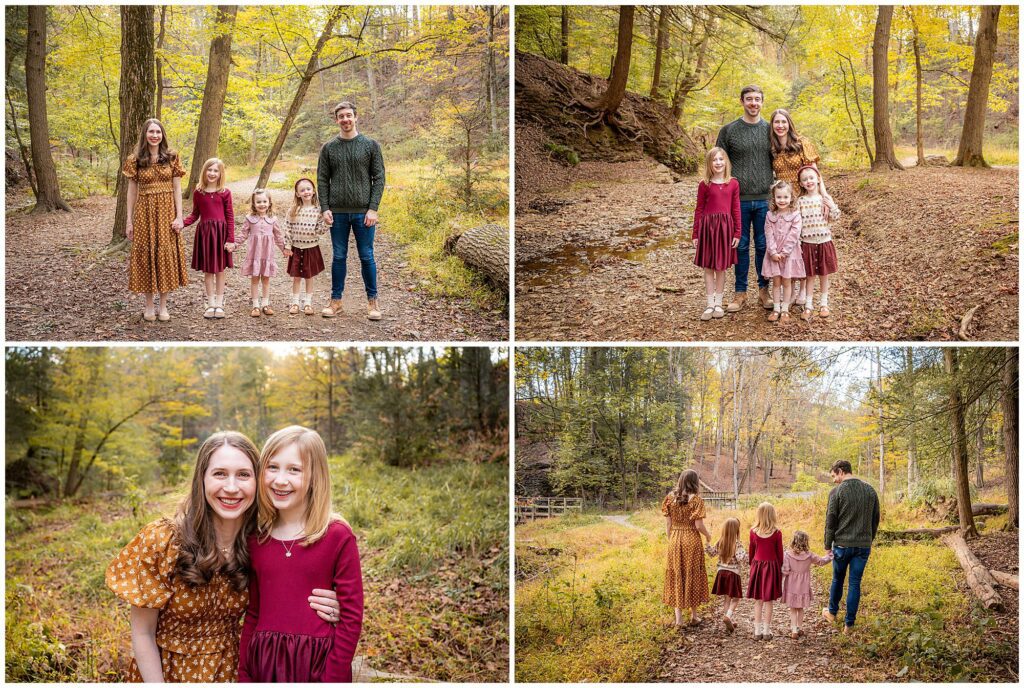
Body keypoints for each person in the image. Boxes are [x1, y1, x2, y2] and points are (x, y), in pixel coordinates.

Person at [105, 432, 341, 682]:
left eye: (243, 475)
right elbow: (143, 633)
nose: (231, 487)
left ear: (258, 481)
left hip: (233, 673)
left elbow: (283, 599)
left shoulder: (260, 543)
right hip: (166, 673)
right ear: (202, 479)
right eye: (219, 474)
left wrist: (332, 608)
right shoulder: (163, 540)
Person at [239, 426, 363, 682]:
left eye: (294, 469)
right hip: (265, 664)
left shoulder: (337, 536)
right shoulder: (256, 539)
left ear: (314, 476)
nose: (280, 480)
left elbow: (351, 618)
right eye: (272, 467)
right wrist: (244, 673)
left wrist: (335, 676)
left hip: (316, 665)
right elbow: (254, 613)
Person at [317, 101, 386, 321]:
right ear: (336, 120)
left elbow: (379, 178)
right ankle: (336, 301)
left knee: (366, 256)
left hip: (363, 213)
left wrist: (373, 209)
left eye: (349, 115)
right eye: (341, 116)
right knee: (339, 256)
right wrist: (325, 207)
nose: (345, 119)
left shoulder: (370, 145)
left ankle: (372, 302)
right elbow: (322, 180)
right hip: (337, 213)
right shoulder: (328, 148)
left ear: (356, 117)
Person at [122, 118, 188, 322]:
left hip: (167, 211)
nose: (154, 135)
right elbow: (132, 192)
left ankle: (164, 306)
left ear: (162, 135)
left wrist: (179, 216)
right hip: (144, 212)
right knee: (147, 256)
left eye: (158, 132)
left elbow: (177, 189)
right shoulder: (135, 160)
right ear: (145, 134)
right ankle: (149, 306)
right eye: (151, 132)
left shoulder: (172, 157)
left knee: (165, 256)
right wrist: (129, 220)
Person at [715, 85, 774, 313]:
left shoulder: (770, 130)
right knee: (739, 246)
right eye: (749, 99)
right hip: (736, 200)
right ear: (742, 101)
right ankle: (740, 293)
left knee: (763, 246)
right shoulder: (729, 131)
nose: (753, 103)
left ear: (762, 102)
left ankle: (763, 290)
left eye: (757, 99)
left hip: (765, 199)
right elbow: (717, 162)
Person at [768, 108, 826, 310]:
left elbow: (815, 173)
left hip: (803, 199)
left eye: (783, 122)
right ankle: (788, 291)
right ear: (772, 126)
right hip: (784, 201)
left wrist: (823, 197)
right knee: (788, 244)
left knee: (804, 245)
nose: (780, 126)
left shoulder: (802, 143)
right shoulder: (773, 147)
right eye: (776, 122)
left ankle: (803, 289)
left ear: (789, 123)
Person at [823, 459, 880, 634]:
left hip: (842, 545)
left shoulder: (836, 492)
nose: (834, 480)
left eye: (834, 475)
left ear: (841, 471)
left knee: (837, 579)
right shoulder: (870, 490)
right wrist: (868, 539)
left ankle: (832, 613)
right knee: (855, 583)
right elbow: (875, 519)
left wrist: (827, 545)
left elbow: (831, 521)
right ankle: (849, 625)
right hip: (862, 546)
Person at [691, 147, 741, 320]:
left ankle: (719, 303)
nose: (718, 163)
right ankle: (709, 304)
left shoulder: (733, 183)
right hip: (707, 228)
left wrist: (737, 233)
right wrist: (695, 233)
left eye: (721, 159)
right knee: (708, 267)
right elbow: (699, 209)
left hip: (725, 229)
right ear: (709, 164)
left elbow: (736, 209)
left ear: (726, 162)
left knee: (721, 268)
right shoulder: (704, 184)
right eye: (714, 160)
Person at [182, 158, 234, 319]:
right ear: (204, 172)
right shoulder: (199, 192)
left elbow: (230, 216)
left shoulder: (225, 192)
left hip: (220, 234)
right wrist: (181, 223)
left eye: (215, 171)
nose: (212, 173)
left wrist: (230, 239)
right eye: (209, 170)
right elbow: (195, 214)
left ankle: (219, 303)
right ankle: (210, 303)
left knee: (219, 270)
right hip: (205, 235)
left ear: (220, 174)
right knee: (208, 270)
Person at [661, 469, 712, 627]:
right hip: (691, 540)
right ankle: (694, 616)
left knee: (677, 573)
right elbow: (698, 525)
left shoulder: (670, 498)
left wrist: (672, 540)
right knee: (692, 573)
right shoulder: (696, 500)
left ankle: (679, 620)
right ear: (694, 482)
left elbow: (668, 524)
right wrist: (708, 536)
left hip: (675, 539)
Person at [796, 166, 840, 321]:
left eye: (811, 178)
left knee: (824, 275)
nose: (809, 181)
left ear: (818, 179)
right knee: (809, 276)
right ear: (801, 184)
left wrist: (832, 205)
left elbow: (835, 217)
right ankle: (808, 305)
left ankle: (824, 304)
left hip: (824, 241)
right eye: (805, 179)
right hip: (807, 243)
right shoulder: (800, 201)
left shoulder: (825, 199)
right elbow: (797, 223)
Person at [232, 189, 285, 318]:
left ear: (269, 203)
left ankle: (265, 304)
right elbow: (243, 234)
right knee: (255, 280)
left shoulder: (272, 219)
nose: (262, 204)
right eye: (259, 202)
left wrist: (285, 249)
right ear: (254, 204)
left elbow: (278, 236)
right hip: (254, 255)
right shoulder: (250, 219)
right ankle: (255, 305)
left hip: (267, 255)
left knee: (266, 280)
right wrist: (235, 244)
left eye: (264, 201)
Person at [761, 181, 804, 323]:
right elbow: (768, 234)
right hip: (774, 254)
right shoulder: (770, 215)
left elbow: (794, 234)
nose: (782, 200)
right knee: (776, 282)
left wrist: (784, 252)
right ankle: (776, 308)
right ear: (774, 198)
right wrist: (773, 252)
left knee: (787, 282)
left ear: (791, 197)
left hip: (789, 253)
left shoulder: (795, 215)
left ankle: (785, 309)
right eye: (779, 197)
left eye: (785, 197)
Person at [283, 178, 328, 315]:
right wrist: (287, 245)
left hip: (311, 247)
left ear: (313, 191)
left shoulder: (318, 211)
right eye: (302, 190)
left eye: (308, 189)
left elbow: (320, 230)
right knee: (297, 277)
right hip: (296, 247)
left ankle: (308, 303)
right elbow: (287, 228)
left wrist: (327, 223)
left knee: (309, 277)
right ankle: (295, 302)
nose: (306, 192)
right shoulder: (293, 210)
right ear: (297, 194)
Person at [781, 530, 831, 639]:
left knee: (793, 608)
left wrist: (780, 578)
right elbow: (821, 561)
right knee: (800, 608)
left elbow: (785, 570)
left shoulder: (787, 555)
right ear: (806, 542)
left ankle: (794, 630)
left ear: (793, 541)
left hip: (791, 586)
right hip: (803, 586)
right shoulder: (809, 555)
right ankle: (799, 628)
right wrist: (830, 555)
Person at [747, 502, 783, 641]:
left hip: (757, 566)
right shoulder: (777, 533)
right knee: (768, 601)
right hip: (772, 567)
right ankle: (766, 631)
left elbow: (751, 551)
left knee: (758, 601)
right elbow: (780, 554)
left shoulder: (753, 532)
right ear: (772, 515)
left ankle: (757, 631)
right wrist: (779, 569)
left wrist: (752, 566)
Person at [706, 517, 747, 634]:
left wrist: (707, 543)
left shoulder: (720, 541)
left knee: (726, 599)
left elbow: (711, 553)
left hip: (721, 573)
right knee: (736, 598)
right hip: (732, 574)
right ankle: (728, 616)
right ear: (736, 531)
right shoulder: (737, 544)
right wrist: (751, 557)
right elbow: (741, 558)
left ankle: (727, 620)